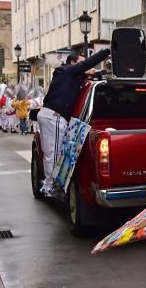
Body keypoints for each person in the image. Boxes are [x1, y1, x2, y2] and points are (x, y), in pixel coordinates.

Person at [38, 48, 111, 196]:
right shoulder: (68, 71)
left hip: (49, 115)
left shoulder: (67, 75)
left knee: (50, 152)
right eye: (81, 64)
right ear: (72, 62)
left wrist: (96, 73)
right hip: (55, 117)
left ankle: (48, 184)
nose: (84, 67)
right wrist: (106, 52)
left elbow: (85, 73)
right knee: (55, 154)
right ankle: (50, 186)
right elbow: (86, 66)